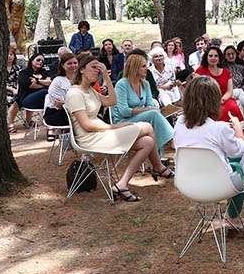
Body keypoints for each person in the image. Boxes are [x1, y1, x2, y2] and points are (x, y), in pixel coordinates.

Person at [173, 76, 244, 229]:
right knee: (240, 162)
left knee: (236, 157)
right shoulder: (219, 128)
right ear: (214, 100)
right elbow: (238, 152)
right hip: (217, 185)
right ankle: (234, 218)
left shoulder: (179, 123)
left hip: (187, 183)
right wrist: (238, 128)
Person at [66, 56, 168, 202]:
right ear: (82, 70)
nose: (97, 71)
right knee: (146, 126)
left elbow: (112, 101)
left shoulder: (90, 90)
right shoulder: (75, 93)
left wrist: (106, 77)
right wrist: (115, 127)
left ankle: (121, 185)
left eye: (99, 67)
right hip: (90, 137)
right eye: (93, 67)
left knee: (147, 142)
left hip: (102, 132)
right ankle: (158, 167)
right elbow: (86, 126)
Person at [112, 53, 175, 158]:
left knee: (155, 115)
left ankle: (157, 160)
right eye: (143, 66)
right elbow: (124, 111)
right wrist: (146, 110)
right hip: (123, 121)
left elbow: (150, 105)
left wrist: (149, 109)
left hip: (141, 118)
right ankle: (173, 139)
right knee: (154, 115)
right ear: (134, 67)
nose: (147, 68)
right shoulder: (122, 84)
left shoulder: (145, 84)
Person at [195, 46, 244, 124]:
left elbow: (229, 91)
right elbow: (196, 91)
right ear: (206, 57)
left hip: (223, 100)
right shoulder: (199, 72)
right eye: (210, 56)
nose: (213, 58)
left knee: (232, 107)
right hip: (206, 102)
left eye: (216, 56)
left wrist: (222, 100)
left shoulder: (225, 72)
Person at [43, 52, 78, 138]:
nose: (73, 65)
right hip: (55, 113)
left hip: (73, 111)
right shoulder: (57, 81)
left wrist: (67, 103)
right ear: (63, 65)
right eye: (69, 63)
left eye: (75, 63)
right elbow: (59, 105)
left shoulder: (80, 79)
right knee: (83, 118)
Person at [17, 53, 52, 124]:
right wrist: (44, 84)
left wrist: (37, 81)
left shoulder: (44, 72)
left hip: (42, 101)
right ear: (32, 60)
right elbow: (30, 85)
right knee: (46, 91)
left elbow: (51, 82)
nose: (40, 62)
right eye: (38, 60)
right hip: (26, 99)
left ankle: (51, 124)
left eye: (43, 61)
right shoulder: (24, 73)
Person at [6, 47, 21, 133]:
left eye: (11, 54)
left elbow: (20, 81)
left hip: (16, 89)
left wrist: (17, 90)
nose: (9, 56)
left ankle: (28, 119)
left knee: (18, 98)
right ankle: (10, 124)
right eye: (7, 54)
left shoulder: (17, 68)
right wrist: (12, 89)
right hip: (5, 90)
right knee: (12, 99)